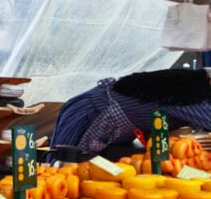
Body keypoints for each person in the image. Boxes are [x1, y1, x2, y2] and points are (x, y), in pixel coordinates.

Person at [51, 68, 211, 159]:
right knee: (65, 166)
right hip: (91, 112)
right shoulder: (191, 94)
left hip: (105, 116)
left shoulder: (193, 83)